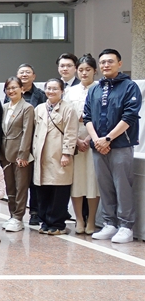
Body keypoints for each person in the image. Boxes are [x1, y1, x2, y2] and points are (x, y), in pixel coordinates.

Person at [85, 49, 140, 244]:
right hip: (99, 146)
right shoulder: (95, 89)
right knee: (105, 186)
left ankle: (126, 226)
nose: (106, 65)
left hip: (120, 145)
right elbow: (87, 117)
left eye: (110, 61)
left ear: (119, 64)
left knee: (122, 186)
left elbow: (130, 116)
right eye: (103, 62)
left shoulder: (129, 86)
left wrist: (108, 139)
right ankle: (110, 223)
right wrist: (97, 140)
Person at [32, 79, 78, 236]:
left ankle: (57, 224)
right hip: (41, 155)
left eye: (55, 89)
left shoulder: (68, 109)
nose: (51, 91)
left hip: (58, 154)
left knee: (59, 190)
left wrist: (67, 153)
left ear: (62, 91)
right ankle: (45, 222)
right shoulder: (39, 108)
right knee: (42, 189)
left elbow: (71, 133)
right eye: (48, 88)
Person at [65, 55, 100, 234]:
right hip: (75, 141)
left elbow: (103, 117)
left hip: (95, 140)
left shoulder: (100, 89)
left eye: (88, 69)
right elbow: (66, 118)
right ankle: (79, 219)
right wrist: (76, 140)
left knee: (93, 181)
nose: (84, 73)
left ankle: (91, 220)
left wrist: (90, 139)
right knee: (76, 181)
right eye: (81, 70)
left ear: (95, 71)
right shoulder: (70, 91)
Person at [0, 76, 35, 233]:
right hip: (5, 153)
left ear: (22, 89)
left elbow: (27, 132)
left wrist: (23, 154)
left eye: (14, 87)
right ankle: (12, 215)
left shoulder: (27, 108)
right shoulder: (4, 107)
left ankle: (19, 217)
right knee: (10, 187)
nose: (11, 91)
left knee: (21, 187)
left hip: (20, 154)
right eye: (8, 88)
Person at [17, 63, 46, 226]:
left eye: (28, 72)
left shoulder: (41, 95)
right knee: (20, 180)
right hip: (16, 142)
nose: (24, 75)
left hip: (35, 142)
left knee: (34, 180)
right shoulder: (12, 93)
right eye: (21, 72)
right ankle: (17, 212)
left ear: (34, 76)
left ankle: (35, 212)